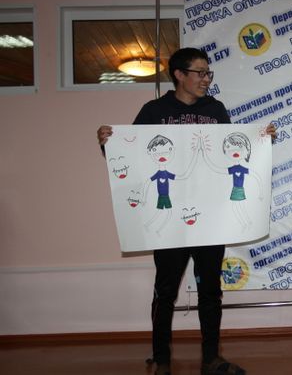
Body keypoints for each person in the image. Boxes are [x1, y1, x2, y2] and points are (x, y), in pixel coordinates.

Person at [97, 47, 276, 375]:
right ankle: (161, 359)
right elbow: (130, 155)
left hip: (210, 220)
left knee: (210, 292)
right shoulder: (154, 110)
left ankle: (212, 359)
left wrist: (261, 140)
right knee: (165, 291)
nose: (206, 79)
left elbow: (230, 153)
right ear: (179, 74)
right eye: (200, 73)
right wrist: (108, 142)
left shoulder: (215, 109)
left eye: (208, 73)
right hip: (169, 222)